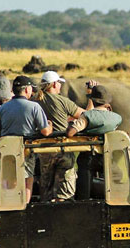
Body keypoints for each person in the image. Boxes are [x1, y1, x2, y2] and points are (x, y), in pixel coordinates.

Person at [0, 75, 53, 203]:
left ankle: (8, 203)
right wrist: (50, 125)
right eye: (31, 89)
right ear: (26, 90)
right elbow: (45, 131)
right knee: (27, 179)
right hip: (25, 150)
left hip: (6, 150)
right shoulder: (34, 107)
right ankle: (24, 205)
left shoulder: (3, 108)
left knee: (9, 178)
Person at [35, 71, 88, 202]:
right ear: (53, 84)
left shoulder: (36, 100)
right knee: (65, 190)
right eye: (58, 83)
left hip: (43, 150)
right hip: (63, 148)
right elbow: (87, 116)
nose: (60, 86)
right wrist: (90, 96)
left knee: (46, 187)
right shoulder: (63, 101)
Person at [66, 85, 122, 200]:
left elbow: (70, 133)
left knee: (84, 186)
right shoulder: (117, 118)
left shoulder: (87, 116)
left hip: (88, 157)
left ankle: (83, 202)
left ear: (93, 101)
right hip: (107, 155)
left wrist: (72, 124)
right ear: (107, 103)